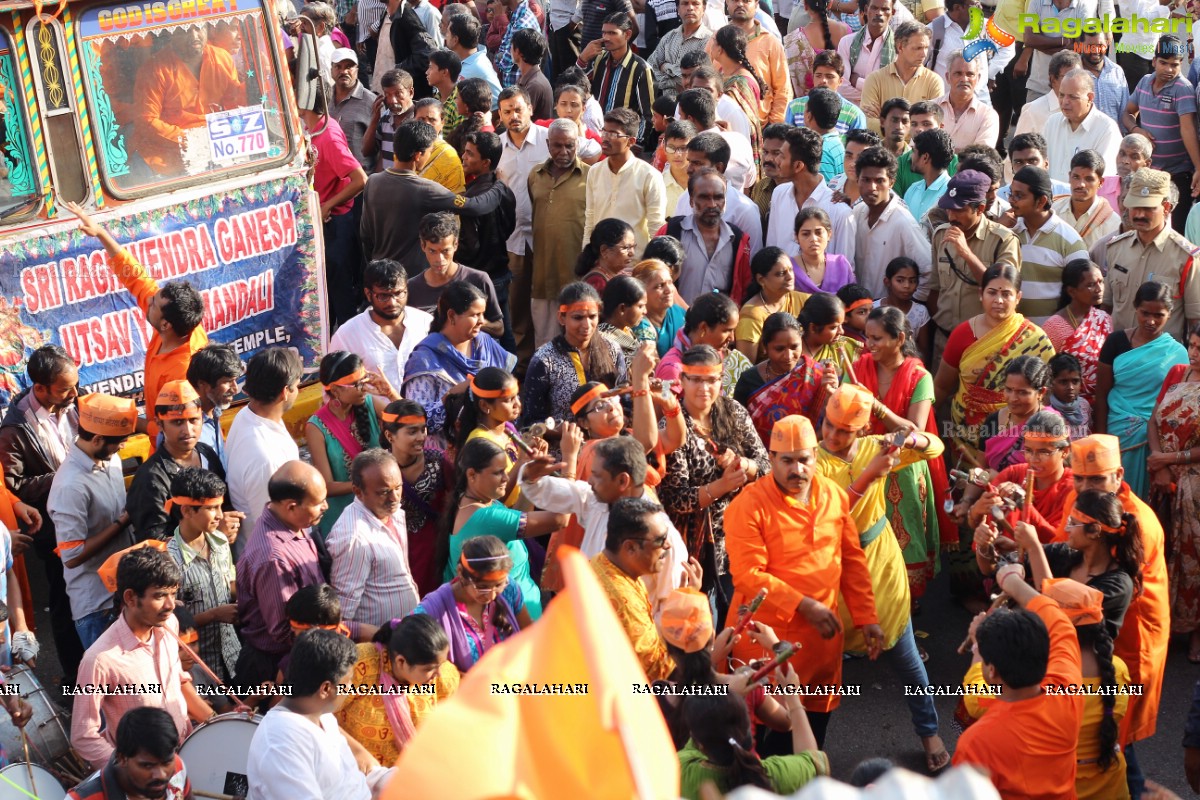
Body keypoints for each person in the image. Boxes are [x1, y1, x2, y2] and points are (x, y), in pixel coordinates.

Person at [724, 415, 882, 748]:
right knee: (761, 746)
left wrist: (867, 618)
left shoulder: (834, 496)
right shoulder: (747, 506)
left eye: (804, 460)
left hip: (821, 645)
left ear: (815, 456)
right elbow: (748, 575)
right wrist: (803, 605)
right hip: (765, 646)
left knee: (811, 738)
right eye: (786, 461)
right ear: (771, 459)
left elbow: (851, 561)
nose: (797, 470)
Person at [814, 384, 948, 768]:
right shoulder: (813, 463)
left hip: (881, 567)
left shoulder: (878, 447)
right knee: (824, 672)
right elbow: (829, 517)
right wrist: (869, 477)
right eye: (829, 425)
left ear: (861, 431)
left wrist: (894, 424)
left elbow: (934, 448)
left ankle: (929, 733)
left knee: (907, 660)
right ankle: (811, 752)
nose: (834, 436)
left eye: (844, 430)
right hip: (833, 571)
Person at [63, 203, 207, 446]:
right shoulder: (176, 325)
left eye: (153, 304)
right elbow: (136, 277)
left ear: (165, 325)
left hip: (172, 451)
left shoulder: (183, 371)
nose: (147, 299)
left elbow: (169, 427)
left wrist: (122, 418)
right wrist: (100, 233)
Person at [952, 561, 1086, 798]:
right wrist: (1013, 582)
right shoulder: (1068, 693)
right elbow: (1059, 621)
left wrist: (977, 649)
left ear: (992, 671)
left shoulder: (976, 743)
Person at [72, 547, 213, 770]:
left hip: (185, 756)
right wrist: (131, 771)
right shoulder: (99, 660)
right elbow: (83, 735)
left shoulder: (170, 626)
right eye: (159, 596)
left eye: (173, 594)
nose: (170, 606)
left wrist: (219, 723)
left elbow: (178, 682)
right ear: (130, 597)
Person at [658, 345, 770, 621]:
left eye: (711, 380)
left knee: (740, 622)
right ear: (681, 381)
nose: (704, 388)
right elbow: (675, 500)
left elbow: (767, 467)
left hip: (742, 539)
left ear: (721, 380)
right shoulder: (673, 425)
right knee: (706, 624)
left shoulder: (733, 411)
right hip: (698, 548)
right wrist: (722, 486)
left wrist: (746, 466)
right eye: (695, 379)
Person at [853, 307, 952, 599]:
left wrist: (877, 408)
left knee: (905, 535)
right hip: (866, 462)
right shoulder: (859, 369)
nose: (869, 344)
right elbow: (849, 415)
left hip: (905, 468)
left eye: (877, 338)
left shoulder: (918, 376)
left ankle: (907, 603)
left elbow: (915, 430)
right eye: (867, 337)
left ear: (899, 339)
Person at [0, 345, 82, 677]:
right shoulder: (15, 429)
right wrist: (69, 476)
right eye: (65, 389)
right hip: (54, 529)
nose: (75, 394)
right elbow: (15, 484)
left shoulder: (74, 399)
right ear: (40, 388)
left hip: (88, 519)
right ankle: (75, 682)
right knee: (65, 605)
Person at [933, 264, 1056, 468]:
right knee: (966, 488)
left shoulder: (1036, 339)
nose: (998, 300)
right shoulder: (963, 334)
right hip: (964, 434)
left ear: (1018, 297)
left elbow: (1047, 394)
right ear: (981, 294)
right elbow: (942, 386)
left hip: (1016, 435)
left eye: (1006, 294)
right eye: (992, 292)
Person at [247, 629, 391, 799]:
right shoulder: (280, 741)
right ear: (325, 689)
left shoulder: (323, 717)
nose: (351, 686)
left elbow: (351, 781)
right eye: (349, 680)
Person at [359, 121, 509, 273]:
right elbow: (476, 206)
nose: (431, 155)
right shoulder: (425, 189)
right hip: (412, 277)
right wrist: (499, 185)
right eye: (430, 151)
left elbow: (365, 235)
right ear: (418, 155)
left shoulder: (373, 181)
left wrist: (375, 264)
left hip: (380, 274)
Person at [441, 438, 566, 619]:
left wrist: (530, 479)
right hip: (515, 621)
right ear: (472, 475)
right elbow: (560, 519)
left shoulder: (469, 501)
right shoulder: (487, 518)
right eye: (498, 473)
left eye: (505, 471)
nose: (506, 478)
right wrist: (569, 458)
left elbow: (516, 517)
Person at [50, 394, 138, 649]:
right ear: (97, 439)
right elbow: (72, 556)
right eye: (118, 442)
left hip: (124, 592)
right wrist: (122, 522)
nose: (122, 447)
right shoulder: (70, 486)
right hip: (97, 607)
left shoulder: (110, 460)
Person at [235, 462, 329, 686]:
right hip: (275, 668)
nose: (325, 506)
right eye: (318, 503)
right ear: (291, 506)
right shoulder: (273, 557)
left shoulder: (293, 523)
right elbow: (284, 631)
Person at [1095, 281, 1189, 498]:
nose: (1151, 321)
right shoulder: (1115, 342)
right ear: (1135, 308)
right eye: (1145, 313)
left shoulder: (1178, 353)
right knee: (1113, 498)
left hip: (1156, 440)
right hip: (1117, 431)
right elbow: (1101, 396)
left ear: (1170, 314)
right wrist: (1102, 440)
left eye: (1159, 315)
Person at [402, 282, 517, 446]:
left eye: (483, 314)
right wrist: (451, 395)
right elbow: (417, 423)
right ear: (451, 316)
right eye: (475, 315)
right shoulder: (425, 359)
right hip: (444, 455)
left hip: (493, 447)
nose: (482, 321)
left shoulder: (486, 344)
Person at [335, 615, 460, 764]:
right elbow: (320, 715)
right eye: (429, 669)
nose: (439, 673)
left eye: (441, 664)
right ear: (401, 661)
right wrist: (358, 752)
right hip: (358, 772)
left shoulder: (444, 677)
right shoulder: (360, 666)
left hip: (413, 773)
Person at [592, 496, 693, 680]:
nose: (668, 545)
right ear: (630, 548)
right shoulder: (623, 601)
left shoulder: (602, 563)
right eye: (660, 540)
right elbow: (663, 676)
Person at [126, 381, 234, 544]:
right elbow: (153, 543)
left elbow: (225, 504)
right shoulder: (152, 478)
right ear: (159, 423)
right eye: (177, 422)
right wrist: (213, 535)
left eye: (193, 420)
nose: (188, 430)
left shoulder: (206, 453)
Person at [327, 449, 420, 637]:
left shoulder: (392, 512)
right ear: (358, 492)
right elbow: (342, 614)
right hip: (376, 646)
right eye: (384, 492)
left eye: (398, 487)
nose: (395, 498)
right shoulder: (354, 539)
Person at [300, 84, 370, 328]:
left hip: (337, 223)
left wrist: (327, 205)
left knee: (340, 291)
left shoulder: (328, 136)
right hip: (325, 222)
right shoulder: (312, 130)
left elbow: (360, 179)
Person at [1149, 326, 1200, 660]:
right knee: (1161, 551)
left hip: (1195, 485)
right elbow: (1153, 420)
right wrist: (1159, 464)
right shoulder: (1178, 372)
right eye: (1192, 344)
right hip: (1162, 478)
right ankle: (1161, 626)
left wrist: (1169, 459)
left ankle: (1196, 631)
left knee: (1193, 556)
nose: (1194, 352)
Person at [130, 26, 244, 175]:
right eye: (185, 30)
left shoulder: (223, 58)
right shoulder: (153, 69)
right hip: (165, 160)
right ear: (171, 33)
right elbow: (146, 121)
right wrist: (193, 140)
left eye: (199, 28)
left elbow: (233, 104)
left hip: (217, 152)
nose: (194, 35)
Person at [1104, 167, 1200, 343]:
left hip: (1162, 362)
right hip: (1118, 357)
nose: (1139, 214)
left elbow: (1195, 321)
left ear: (1166, 207)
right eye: (1135, 206)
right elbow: (1107, 308)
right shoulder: (1115, 248)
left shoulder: (1187, 257)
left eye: (1147, 208)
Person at [679, 688, 828, 798]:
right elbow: (814, 761)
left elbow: (702, 730)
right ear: (748, 726)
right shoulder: (776, 775)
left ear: (699, 742)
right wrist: (793, 698)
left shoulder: (681, 768)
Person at [165, 467, 239, 687]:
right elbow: (169, 627)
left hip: (234, 659)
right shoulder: (169, 560)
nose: (219, 515)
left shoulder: (221, 542)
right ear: (187, 511)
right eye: (212, 508)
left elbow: (230, 585)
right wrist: (214, 615)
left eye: (220, 506)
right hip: (198, 671)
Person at [414, 534, 532, 671]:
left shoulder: (509, 588)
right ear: (460, 572)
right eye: (482, 587)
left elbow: (529, 634)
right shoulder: (434, 608)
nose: (492, 595)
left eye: (498, 585)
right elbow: (405, 642)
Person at [224, 348, 303, 546]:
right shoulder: (266, 457)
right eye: (297, 386)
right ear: (285, 392)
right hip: (273, 555)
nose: (298, 392)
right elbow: (273, 523)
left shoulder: (248, 414)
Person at [522, 282, 629, 426]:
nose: (586, 325)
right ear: (561, 318)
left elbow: (625, 400)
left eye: (592, 316)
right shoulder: (544, 360)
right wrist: (565, 431)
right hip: (563, 445)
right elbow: (532, 421)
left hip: (610, 441)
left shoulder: (612, 349)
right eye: (578, 318)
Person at [1123, 35, 1200, 233]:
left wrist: (1199, 167)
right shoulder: (1144, 82)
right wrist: (1137, 130)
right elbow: (1127, 113)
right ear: (1154, 61)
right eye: (1163, 63)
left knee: (1176, 232)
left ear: (1181, 65)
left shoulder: (1182, 88)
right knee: (1145, 228)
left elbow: (1188, 128)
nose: (1168, 69)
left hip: (1177, 176)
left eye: (1174, 65)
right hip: (1147, 175)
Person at [964, 410, 1076, 546]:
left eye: (1043, 452)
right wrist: (977, 511)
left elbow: (1062, 544)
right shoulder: (1013, 474)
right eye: (1028, 451)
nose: (1034, 459)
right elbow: (977, 523)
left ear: (1064, 452)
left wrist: (1023, 503)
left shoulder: (1074, 488)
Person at [529, 119, 591, 348]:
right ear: (547, 144)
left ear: (578, 144)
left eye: (570, 145)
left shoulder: (590, 176)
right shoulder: (535, 175)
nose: (564, 152)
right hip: (542, 275)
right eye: (557, 145)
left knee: (576, 342)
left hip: (576, 274)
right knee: (545, 342)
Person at [1009, 165, 1088, 324]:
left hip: (1051, 341)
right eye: (1011, 194)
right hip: (1010, 338)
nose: (1011, 200)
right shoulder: (1009, 231)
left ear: (1041, 201)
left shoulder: (1070, 241)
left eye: (1019, 196)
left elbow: (1082, 296)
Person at [851, 146, 932, 300]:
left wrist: (905, 305)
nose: (872, 187)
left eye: (879, 180)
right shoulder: (857, 212)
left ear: (891, 183)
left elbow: (929, 270)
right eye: (866, 180)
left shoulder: (903, 222)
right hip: (859, 311)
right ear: (857, 180)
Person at [406, 213, 503, 338]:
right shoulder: (410, 289)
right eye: (432, 251)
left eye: (445, 251)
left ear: (455, 245)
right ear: (423, 246)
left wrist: (469, 320)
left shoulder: (478, 279)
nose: (439, 259)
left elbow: (499, 328)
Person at [766, 127, 855, 264]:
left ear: (798, 166)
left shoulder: (840, 211)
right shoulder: (779, 194)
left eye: (782, 156)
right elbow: (771, 250)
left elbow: (845, 268)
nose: (776, 160)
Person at [66, 707, 192, 800]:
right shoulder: (82, 798)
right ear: (122, 758)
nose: (161, 775)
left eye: (166, 762)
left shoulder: (177, 766)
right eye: (147, 766)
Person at [665, 170, 752, 300]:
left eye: (718, 197)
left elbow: (743, 289)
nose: (712, 204)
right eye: (704, 197)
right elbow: (654, 282)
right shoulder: (670, 233)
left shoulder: (738, 241)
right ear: (691, 201)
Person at [1041, 259, 1112, 403]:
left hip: (1102, 400)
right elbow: (1044, 372)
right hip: (1066, 404)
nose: (1099, 289)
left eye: (1101, 282)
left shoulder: (1104, 319)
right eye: (1091, 285)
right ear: (1072, 291)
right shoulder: (1055, 326)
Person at [974, 356, 1054, 473]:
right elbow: (980, 471)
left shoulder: (1050, 425)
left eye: (1022, 392)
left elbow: (1049, 478)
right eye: (1008, 390)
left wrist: (1000, 479)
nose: (1013, 398)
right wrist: (969, 491)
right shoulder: (993, 420)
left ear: (1041, 393)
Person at [859, 22, 943, 133]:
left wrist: (887, 120)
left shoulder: (934, 81)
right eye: (918, 48)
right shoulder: (875, 80)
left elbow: (934, 126)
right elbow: (868, 123)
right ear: (900, 47)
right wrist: (916, 125)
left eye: (926, 48)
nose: (924, 54)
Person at [1043, 69, 1122, 186]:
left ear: (1090, 98)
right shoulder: (1052, 122)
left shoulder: (1107, 129)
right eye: (1061, 95)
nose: (1065, 102)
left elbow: (1101, 179)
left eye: (1072, 97)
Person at [735, 248, 812, 362]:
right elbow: (746, 365)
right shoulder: (751, 315)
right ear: (761, 280)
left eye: (791, 270)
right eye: (781, 273)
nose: (790, 277)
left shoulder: (805, 300)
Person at [185, 344, 243, 466]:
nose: (235, 389)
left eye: (235, 380)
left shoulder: (213, 413)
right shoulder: (187, 432)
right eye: (227, 382)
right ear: (202, 384)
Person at [734, 311, 802, 408]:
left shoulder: (811, 373)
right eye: (780, 349)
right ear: (765, 347)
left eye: (794, 347)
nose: (788, 356)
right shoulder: (749, 380)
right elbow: (736, 419)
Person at [1053, 150, 1120, 249]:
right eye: (1076, 177)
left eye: (1089, 179)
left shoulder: (1112, 223)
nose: (1081, 184)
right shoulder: (1053, 211)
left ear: (1101, 182)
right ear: (1069, 177)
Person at [935, 51, 998, 153]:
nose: (964, 79)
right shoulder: (931, 109)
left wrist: (938, 152)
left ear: (978, 79)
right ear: (947, 77)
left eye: (970, 74)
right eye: (958, 73)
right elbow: (918, 148)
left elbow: (982, 155)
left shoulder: (988, 115)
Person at [782, 0, 848, 96]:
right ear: (830, 4)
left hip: (804, 106)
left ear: (805, 5)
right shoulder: (846, 32)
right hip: (842, 105)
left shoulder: (792, 41)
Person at [648, 0, 712, 93]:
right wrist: (670, 82)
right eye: (685, 3)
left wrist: (665, 66)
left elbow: (697, 78)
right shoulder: (669, 37)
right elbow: (650, 66)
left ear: (704, 8)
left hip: (692, 103)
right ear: (678, 9)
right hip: (664, 103)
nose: (690, 8)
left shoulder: (709, 41)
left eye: (695, 4)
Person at [788, 208, 855, 295]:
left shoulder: (841, 264)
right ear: (796, 237)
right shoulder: (789, 268)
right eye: (806, 234)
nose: (813, 239)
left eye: (818, 232)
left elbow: (854, 300)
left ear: (829, 234)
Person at [634, 254, 688, 358]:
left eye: (670, 283)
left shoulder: (679, 313)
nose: (669, 290)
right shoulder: (639, 325)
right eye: (660, 286)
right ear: (642, 291)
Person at [876, 257, 930, 356]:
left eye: (912, 281)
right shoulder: (873, 309)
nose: (906, 286)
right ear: (887, 282)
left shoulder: (920, 312)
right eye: (900, 280)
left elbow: (923, 351)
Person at [412, 99, 467, 193]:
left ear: (442, 123)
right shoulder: (405, 146)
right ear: (413, 120)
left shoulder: (448, 155)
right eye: (421, 119)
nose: (427, 124)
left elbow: (456, 197)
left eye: (432, 120)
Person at [901, 128, 954, 224]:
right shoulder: (913, 189)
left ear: (925, 157)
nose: (911, 156)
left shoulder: (950, 194)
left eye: (913, 151)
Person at [576, 218, 638, 295]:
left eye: (633, 247)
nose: (632, 253)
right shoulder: (597, 282)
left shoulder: (620, 274)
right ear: (604, 251)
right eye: (626, 248)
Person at [600, 276, 650, 364]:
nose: (645, 311)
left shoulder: (627, 330)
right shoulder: (605, 342)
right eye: (640, 306)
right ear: (622, 308)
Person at [1047, 353, 1092, 440]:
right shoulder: (1046, 411)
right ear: (1051, 383)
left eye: (1075, 381)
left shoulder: (1084, 406)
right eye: (1063, 382)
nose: (1071, 387)